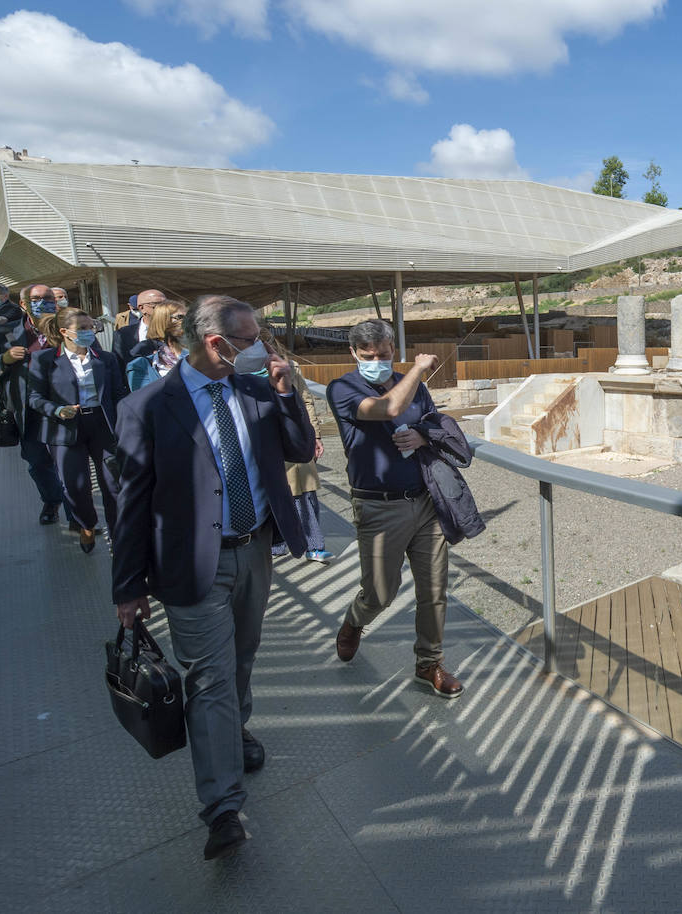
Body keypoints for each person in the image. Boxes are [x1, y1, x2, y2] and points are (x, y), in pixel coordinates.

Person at [111, 294, 315, 861]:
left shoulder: (254, 391)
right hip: (191, 563)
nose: (262, 348)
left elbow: (299, 449)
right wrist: (127, 587)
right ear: (217, 344)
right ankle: (223, 807)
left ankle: (235, 731)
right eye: (252, 340)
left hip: (255, 551)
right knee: (210, 679)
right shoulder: (147, 408)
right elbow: (129, 505)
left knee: (242, 658)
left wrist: (286, 391)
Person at [326, 319, 463, 699]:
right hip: (378, 507)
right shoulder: (343, 388)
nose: (376, 361)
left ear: (392, 349)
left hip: (424, 499)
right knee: (380, 593)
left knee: (434, 590)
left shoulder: (413, 386)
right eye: (367, 356)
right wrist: (419, 369)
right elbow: (387, 409)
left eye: (383, 355)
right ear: (353, 354)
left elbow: (434, 425)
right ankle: (355, 620)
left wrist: (422, 435)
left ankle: (429, 663)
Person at [28, 309, 126, 553]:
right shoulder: (44, 360)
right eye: (82, 328)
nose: (88, 332)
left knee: (113, 484)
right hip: (65, 428)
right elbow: (34, 397)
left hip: (102, 426)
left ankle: (118, 537)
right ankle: (86, 524)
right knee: (75, 485)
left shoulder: (106, 359)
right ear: (64, 332)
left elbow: (118, 394)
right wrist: (57, 409)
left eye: (90, 327)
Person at [0, 282, 68, 524]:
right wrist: (3, 359)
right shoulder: (1, 334)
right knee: (37, 460)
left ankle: (79, 513)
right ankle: (52, 500)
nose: (44, 303)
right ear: (23, 304)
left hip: (66, 407)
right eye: (37, 298)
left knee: (71, 461)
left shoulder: (70, 329)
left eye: (48, 298)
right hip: (26, 409)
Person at [262, 332, 332, 564]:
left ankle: (313, 543)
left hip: (292, 435)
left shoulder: (290, 367)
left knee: (303, 491)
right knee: (278, 492)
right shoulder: (239, 371)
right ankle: (279, 542)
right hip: (265, 439)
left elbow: (306, 399)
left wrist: (314, 435)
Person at [126, 300, 187, 389]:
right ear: (162, 321)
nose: (188, 322)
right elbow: (146, 400)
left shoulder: (204, 359)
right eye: (180, 317)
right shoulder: (139, 366)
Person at [113, 288, 164, 368]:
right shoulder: (122, 335)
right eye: (157, 305)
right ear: (141, 308)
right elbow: (118, 367)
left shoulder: (178, 332)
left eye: (166, 304)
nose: (164, 309)